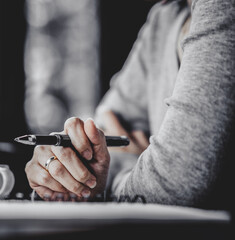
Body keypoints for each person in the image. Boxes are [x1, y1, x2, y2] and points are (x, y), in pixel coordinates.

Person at [25, 0, 234, 209]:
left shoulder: (223, 7)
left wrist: (115, 176)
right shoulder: (165, 20)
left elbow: (172, 186)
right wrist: (63, 175)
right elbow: (104, 130)